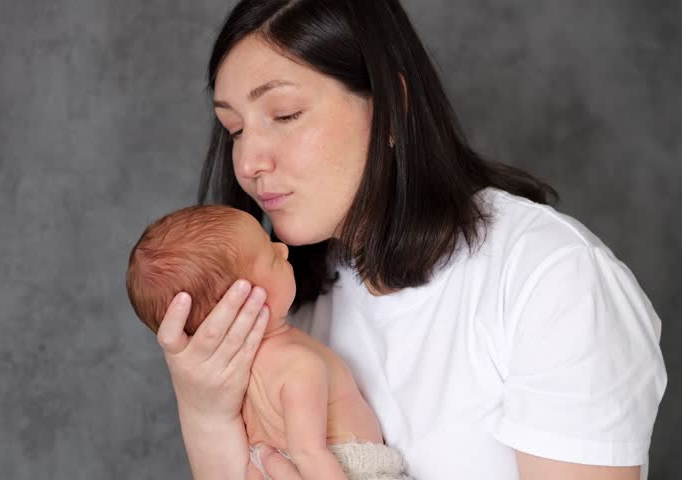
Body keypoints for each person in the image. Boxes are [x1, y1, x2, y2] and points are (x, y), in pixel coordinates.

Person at [149, 1, 668, 479]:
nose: (247, 162)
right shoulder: (283, 301)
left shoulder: (549, 278)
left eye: (284, 115)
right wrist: (203, 410)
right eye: (234, 129)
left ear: (392, 111)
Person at [126, 204, 412, 480]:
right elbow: (309, 453)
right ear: (242, 299)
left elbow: (251, 462)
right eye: (272, 257)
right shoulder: (299, 365)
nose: (283, 249)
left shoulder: (235, 385)